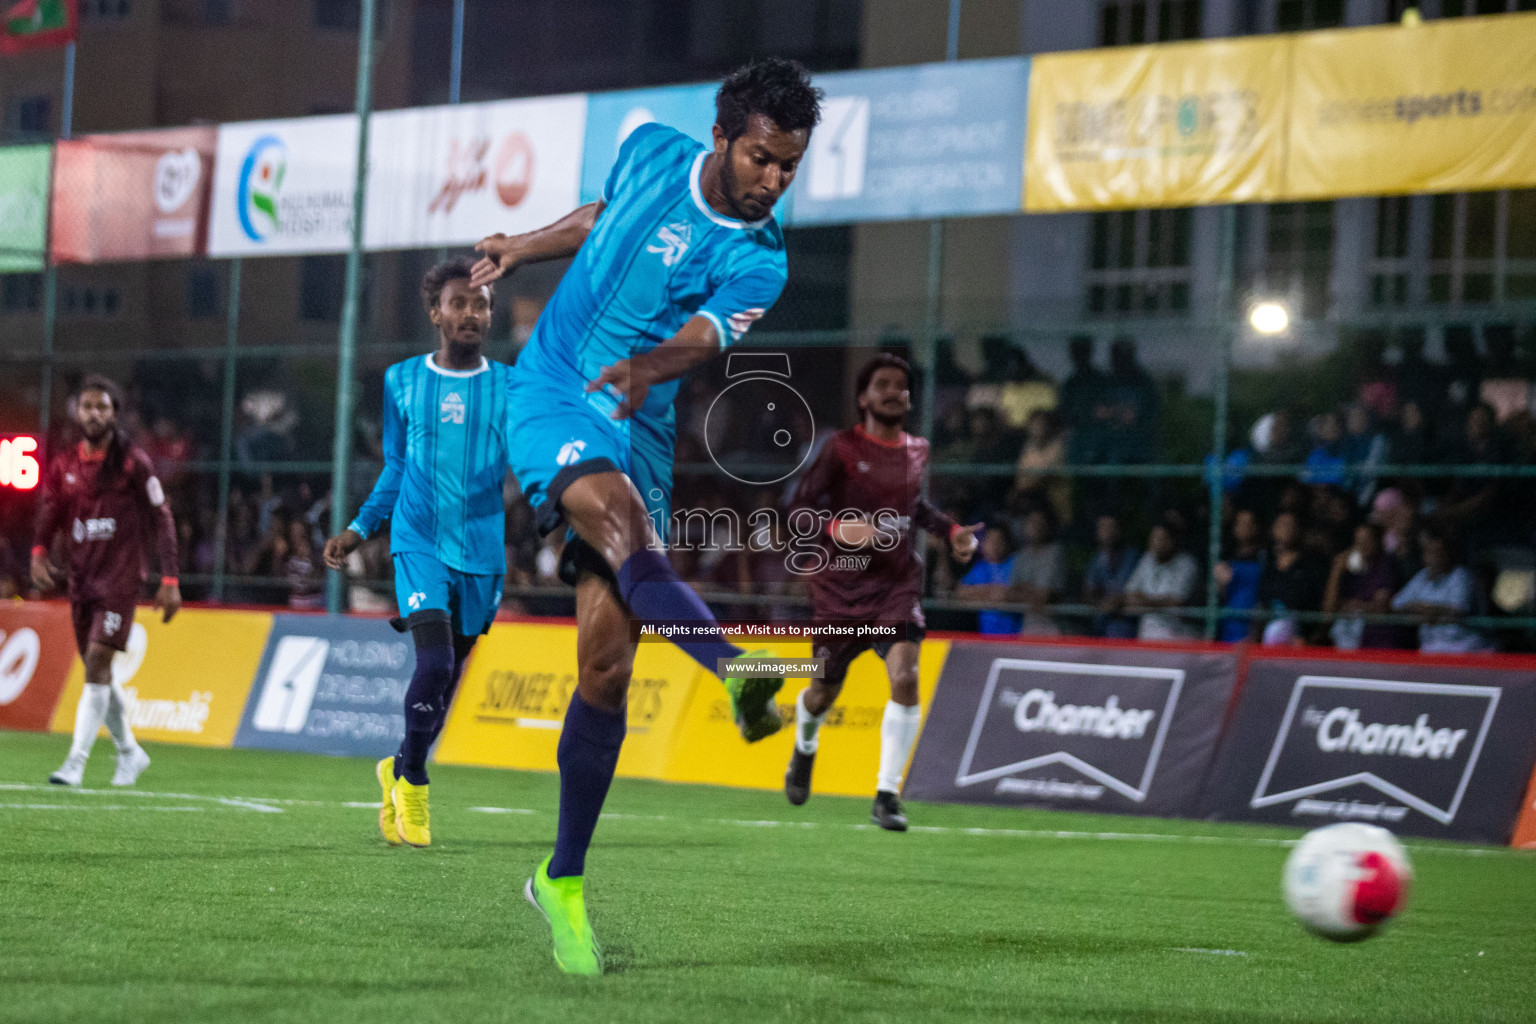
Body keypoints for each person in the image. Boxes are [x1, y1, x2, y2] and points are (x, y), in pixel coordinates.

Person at [470, 58, 822, 975]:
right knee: (623, 531)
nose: (773, 181)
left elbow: (703, 337)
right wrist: (520, 246)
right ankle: (738, 673)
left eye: (789, 166)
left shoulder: (761, 257)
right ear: (721, 137)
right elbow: (600, 219)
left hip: (641, 420)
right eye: (760, 159)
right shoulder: (650, 147)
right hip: (554, 389)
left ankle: (562, 882)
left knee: (606, 667)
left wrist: (646, 372)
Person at [323, 257, 511, 851]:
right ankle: (418, 781)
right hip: (418, 541)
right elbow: (397, 467)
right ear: (436, 312)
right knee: (432, 665)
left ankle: (397, 764)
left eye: (481, 304)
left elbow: (528, 462)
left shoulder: (508, 386)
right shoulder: (403, 380)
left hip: (481, 550)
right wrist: (359, 527)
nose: (471, 314)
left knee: (448, 676)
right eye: (460, 303)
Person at [783, 354, 980, 830]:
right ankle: (804, 748)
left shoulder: (918, 449)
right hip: (840, 590)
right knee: (821, 693)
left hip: (896, 587)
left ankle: (887, 796)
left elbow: (915, 508)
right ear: (863, 397)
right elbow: (799, 511)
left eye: (902, 386)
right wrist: (836, 528)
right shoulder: (840, 448)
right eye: (883, 384)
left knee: (906, 677)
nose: (894, 391)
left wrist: (950, 531)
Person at [31, 375, 181, 788]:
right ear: (76, 412)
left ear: (115, 413)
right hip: (81, 581)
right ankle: (131, 753)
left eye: (103, 407)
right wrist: (39, 551)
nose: (94, 414)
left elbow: (162, 516)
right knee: (100, 672)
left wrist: (170, 577)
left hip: (119, 582)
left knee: (97, 662)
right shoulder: (65, 464)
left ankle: (75, 763)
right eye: (87, 406)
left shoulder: (133, 462)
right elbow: (50, 511)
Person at [1392, 526, 1492, 654]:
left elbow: (1458, 610)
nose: (1434, 557)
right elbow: (1396, 604)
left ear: (1448, 554)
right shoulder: (1422, 576)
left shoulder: (1461, 576)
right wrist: (1422, 608)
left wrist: (1427, 610)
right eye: (1429, 552)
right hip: (1431, 647)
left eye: (1438, 552)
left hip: (1464, 647)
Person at [1324, 522, 1402, 650]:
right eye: (1358, 541)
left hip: (1377, 641)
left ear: (1377, 542)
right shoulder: (1352, 571)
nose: (1362, 546)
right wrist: (1336, 571)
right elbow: (1329, 609)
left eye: (1367, 540)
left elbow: (1382, 607)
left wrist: (1356, 606)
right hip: (1349, 641)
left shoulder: (1385, 567)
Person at [1256, 511, 1329, 646]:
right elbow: (1262, 603)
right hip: (1268, 641)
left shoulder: (1310, 565)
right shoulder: (1269, 566)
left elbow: (1320, 604)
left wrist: (1309, 637)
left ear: (1298, 530)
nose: (1285, 529)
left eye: (1290, 524)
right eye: (1282, 524)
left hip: (1299, 641)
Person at [1123, 523, 1197, 641]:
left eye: (1162, 539)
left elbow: (1176, 601)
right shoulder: (1147, 559)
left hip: (1177, 637)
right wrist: (1160, 602)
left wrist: (1143, 601)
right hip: (1146, 636)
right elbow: (1128, 596)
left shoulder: (1186, 563)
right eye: (1154, 539)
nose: (1157, 544)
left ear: (1172, 541)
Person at [1008, 507, 1065, 635]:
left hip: (1052, 626)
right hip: (1027, 625)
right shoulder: (1021, 555)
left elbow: (1042, 596)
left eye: (1041, 523)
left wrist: (1023, 589)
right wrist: (1029, 591)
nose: (1036, 527)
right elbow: (1010, 593)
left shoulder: (1055, 553)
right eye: (1032, 522)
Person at [957, 521, 1022, 635]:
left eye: (999, 540)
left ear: (1007, 543)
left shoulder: (1016, 563)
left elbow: (1012, 593)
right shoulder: (981, 567)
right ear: (983, 543)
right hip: (987, 636)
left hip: (1015, 636)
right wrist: (990, 592)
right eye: (991, 540)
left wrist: (984, 593)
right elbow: (961, 591)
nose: (995, 545)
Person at [1081, 513, 1139, 639]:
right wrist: (1102, 603)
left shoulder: (1132, 557)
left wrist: (1118, 600)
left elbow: (1131, 593)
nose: (1106, 532)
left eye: (1111, 527)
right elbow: (1089, 592)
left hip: (1126, 622)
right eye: (1102, 527)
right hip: (1099, 620)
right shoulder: (1097, 559)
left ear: (1119, 530)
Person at [1213, 508, 1264, 643]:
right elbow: (1218, 596)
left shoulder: (1264, 558)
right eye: (1240, 523)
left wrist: (1255, 633)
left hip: (1250, 628)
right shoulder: (1226, 556)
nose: (1244, 528)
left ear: (1257, 528)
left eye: (1248, 524)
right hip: (1227, 627)